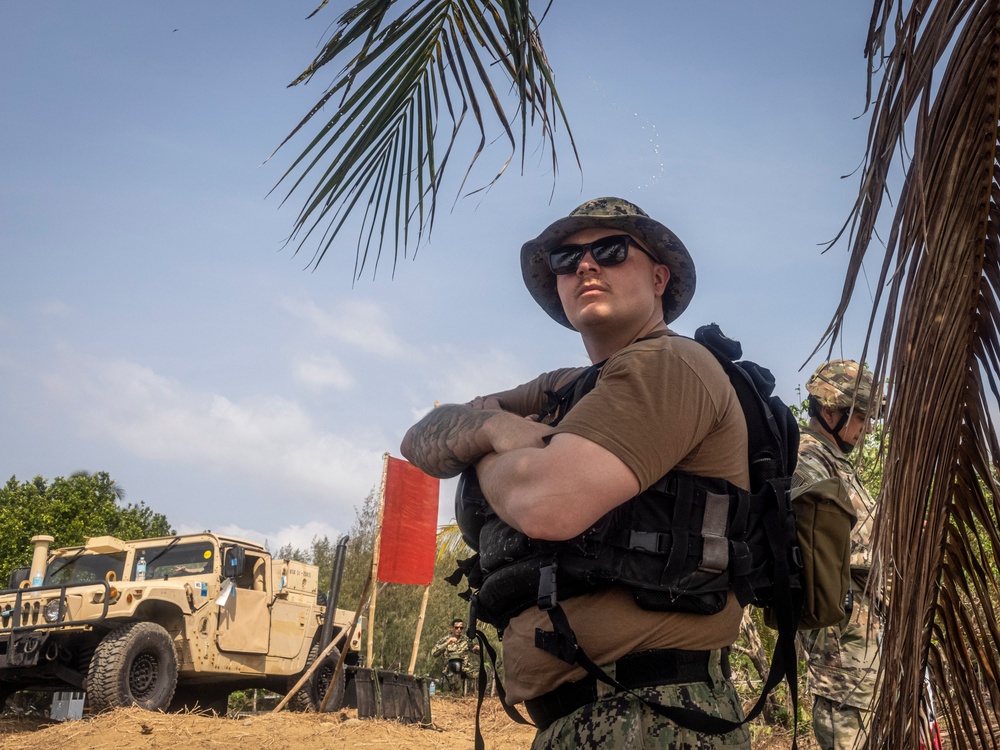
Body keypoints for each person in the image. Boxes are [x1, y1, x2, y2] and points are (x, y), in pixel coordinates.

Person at [402, 197, 751, 748]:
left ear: (659, 277)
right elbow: (425, 436)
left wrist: (494, 445)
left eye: (611, 251)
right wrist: (503, 435)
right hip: (596, 717)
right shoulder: (567, 386)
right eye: (567, 258)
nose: (585, 266)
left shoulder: (671, 366)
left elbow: (546, 502)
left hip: (651, 717)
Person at [795, 360, 880, 750]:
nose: (865, 429)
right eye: (860, 417)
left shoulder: (837, 462)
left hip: (864, 645)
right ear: (829, 411)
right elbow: (834, 542)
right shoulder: (807, 459)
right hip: (842, 654)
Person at [431, 618, 480, 694]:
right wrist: (447, 643)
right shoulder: (445, 640)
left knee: (481, 675)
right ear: (452, 628)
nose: (459, 629)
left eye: (461, 628)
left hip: (465, 671)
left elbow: (474, 650)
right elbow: (434, 653)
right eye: (456, 627)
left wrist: (477, 649)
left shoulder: (466, 640)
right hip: (450, 672)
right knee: (451, 694)